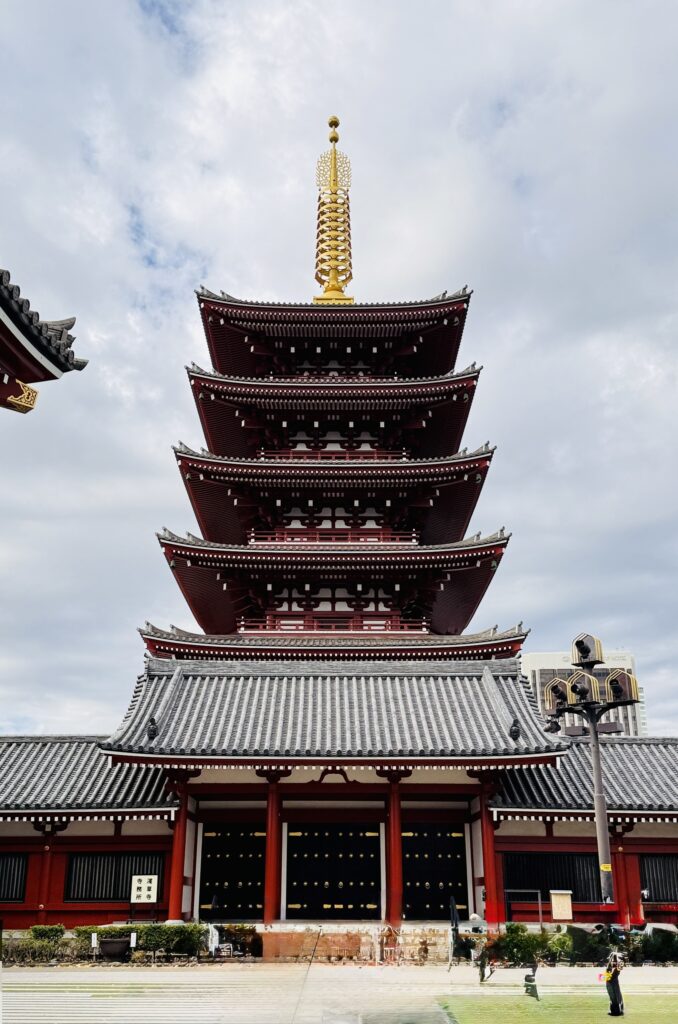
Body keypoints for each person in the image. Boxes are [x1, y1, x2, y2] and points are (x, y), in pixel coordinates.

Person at [605, 952, 624, 1016]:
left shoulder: (616, 967)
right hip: (610, 982)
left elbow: (619, 967)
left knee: (615, 997)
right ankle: (616, 1010)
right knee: (614, 997)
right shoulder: (610, 968)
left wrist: (614, 958)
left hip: (612, 982)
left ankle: (617, 1011)